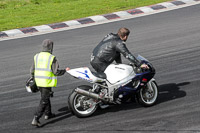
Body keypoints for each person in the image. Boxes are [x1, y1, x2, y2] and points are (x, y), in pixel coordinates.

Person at [30, 39, 67, 127]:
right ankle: (36, 118)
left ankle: (48, 114)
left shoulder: (37, 56)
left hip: (38, 81)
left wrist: (34, 77)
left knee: (45, 97)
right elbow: (56, 72)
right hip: (46, 82)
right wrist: (65, 71)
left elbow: (32, 70)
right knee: (44, 100)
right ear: (51, 47)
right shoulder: (51, 58)